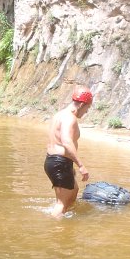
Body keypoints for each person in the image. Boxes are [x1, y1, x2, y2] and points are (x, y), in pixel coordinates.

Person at [44, 86, 94, 217]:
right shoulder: (70, 118)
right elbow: (66, 141)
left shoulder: (59, 115)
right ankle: (58, 233)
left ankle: (66, 218)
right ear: (82, 104)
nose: (86, 112)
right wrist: (81, 165)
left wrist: (70, 165)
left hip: (57, 161)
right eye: (87, 108)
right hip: (59, 163)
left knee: (74, 190)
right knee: (61, 204)